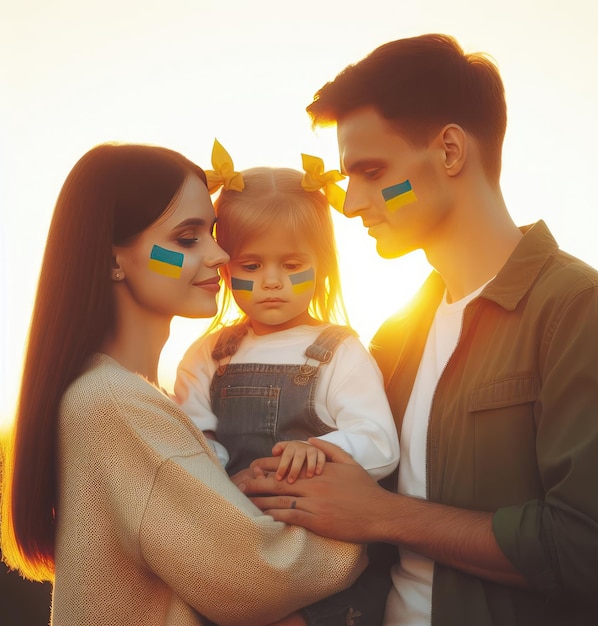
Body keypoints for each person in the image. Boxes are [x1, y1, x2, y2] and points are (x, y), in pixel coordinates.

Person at [239, 33, 598, 625]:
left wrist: (383, 513)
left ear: (449, 151)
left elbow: (592, 551)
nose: (350, 203)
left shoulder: (578, 307)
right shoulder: (394, 339)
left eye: (373, 172)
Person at [0, 142, 367, 626]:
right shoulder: (113, 402)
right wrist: (371, 525)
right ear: (113, 260)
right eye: (187, 238)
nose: (221, 255)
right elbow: (256, 576)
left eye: (212, 233)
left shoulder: (131, 394)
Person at [174, 142, 399, 483]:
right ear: (225, 268)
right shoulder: (208, 356)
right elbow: (195, 442)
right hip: (231, 521)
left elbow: (378, 442)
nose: (272, 281)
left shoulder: (341, 352)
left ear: (322, 266)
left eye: (292, 264)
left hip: (317, 529)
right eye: (251, 265)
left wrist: (321, 450)